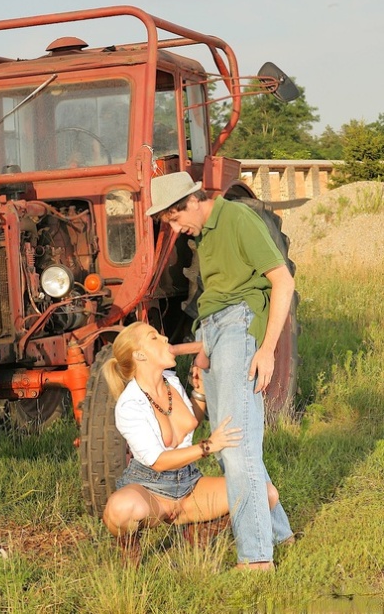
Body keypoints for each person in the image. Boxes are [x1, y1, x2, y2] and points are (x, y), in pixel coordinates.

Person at [146, 171, 295, 570]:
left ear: (191, 201)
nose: (177, 230)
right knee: (236, 445)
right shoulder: (204, 236)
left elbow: (282, 281)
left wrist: (267, 348)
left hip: (240, 328)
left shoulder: (237, 218)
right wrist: (202, 350)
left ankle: (256, 558)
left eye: (176, 220)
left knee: (233, 445)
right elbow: (211, 299)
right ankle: (281, 535)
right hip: (213, 335)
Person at [102, 321, 280, 562]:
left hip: (188, 483)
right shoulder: (129, 404)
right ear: (139, 354)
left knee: (266, 494)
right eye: (153, 337)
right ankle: (129, 546)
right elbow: (158, 462)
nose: (165, 339)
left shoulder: (170, 381)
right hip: (150, 489)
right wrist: (208, 446)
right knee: (120, 509)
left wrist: (200, 392)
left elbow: (188, 424)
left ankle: (199, 531)